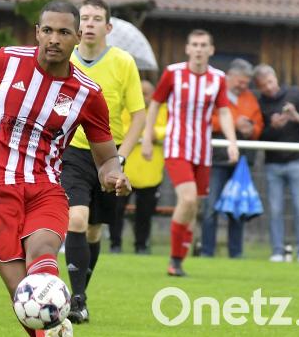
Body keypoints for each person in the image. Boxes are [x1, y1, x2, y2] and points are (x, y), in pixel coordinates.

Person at [0, 0, 131, 337]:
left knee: (44, 252)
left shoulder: (88, 93)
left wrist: (114, 175)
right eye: (47, 30)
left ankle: (55, 324)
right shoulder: (4, 61)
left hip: (45, 188)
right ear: (37, 32)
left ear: (77, 37)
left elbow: (106, 158)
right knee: (21, 291)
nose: (54, 39)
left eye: (63, 32)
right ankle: (54, 328)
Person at [59, 0, 144, 325]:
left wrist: (120, 158)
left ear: (108, 27)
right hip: (72, 152)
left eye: (96, 18)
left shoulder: (123, 62)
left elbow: (138, 116)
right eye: (84, 18)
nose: (90, 24)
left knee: (94, 231)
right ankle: (77, 300)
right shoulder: (65, 60)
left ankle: (81, 294)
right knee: (76, 220)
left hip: (109, 155)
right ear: (77, 26)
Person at [142, 29, 239, 277]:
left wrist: (232, 142)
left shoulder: (218, 78)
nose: (198, 49)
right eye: (194, 44)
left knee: (194, 206)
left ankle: (180, 260)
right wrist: (147, 136)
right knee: (187, 199)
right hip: (176, 147)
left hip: (202, 151)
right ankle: (174, 260)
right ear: (187, 49)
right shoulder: (173, 73)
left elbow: (224, 111)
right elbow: (155, 104)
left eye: (203, 45)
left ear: (211, 50)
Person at [254, 63, 299, 264]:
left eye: (270, 82)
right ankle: (277, 251)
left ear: (275, 78)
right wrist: (273, 127)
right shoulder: (260, 104)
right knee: (275, 209)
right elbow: (259, 137)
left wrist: (297, 117)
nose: (269, 87)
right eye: (263, 85)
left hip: (298, 161)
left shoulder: (295, 94)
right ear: (259, 87)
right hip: (273, 164)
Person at [200, 58, 264, 258]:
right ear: (229, 76)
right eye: (240, 81)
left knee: (238, 206)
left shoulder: (250, 99)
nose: (243, 86)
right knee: (210, 206)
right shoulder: (214, 93)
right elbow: (207, 119)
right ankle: (207, 251)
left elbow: (259, 124)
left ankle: (236, 253)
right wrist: (233, 124)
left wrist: (251, 129)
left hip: (241, 162)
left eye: (246, 82)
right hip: (217, 159)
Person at [109, 79, 167, 255]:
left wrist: (151, 133)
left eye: (147, 94)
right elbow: (119, 128)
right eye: (140, 93)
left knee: (145, 213)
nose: (143, 97)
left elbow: (168, 129)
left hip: (150, 172)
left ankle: (141, 245)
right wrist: (148, 133)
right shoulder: (126, 108)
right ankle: (115, 244)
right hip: (126, 170)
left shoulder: (163, 109)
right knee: (116, 210)